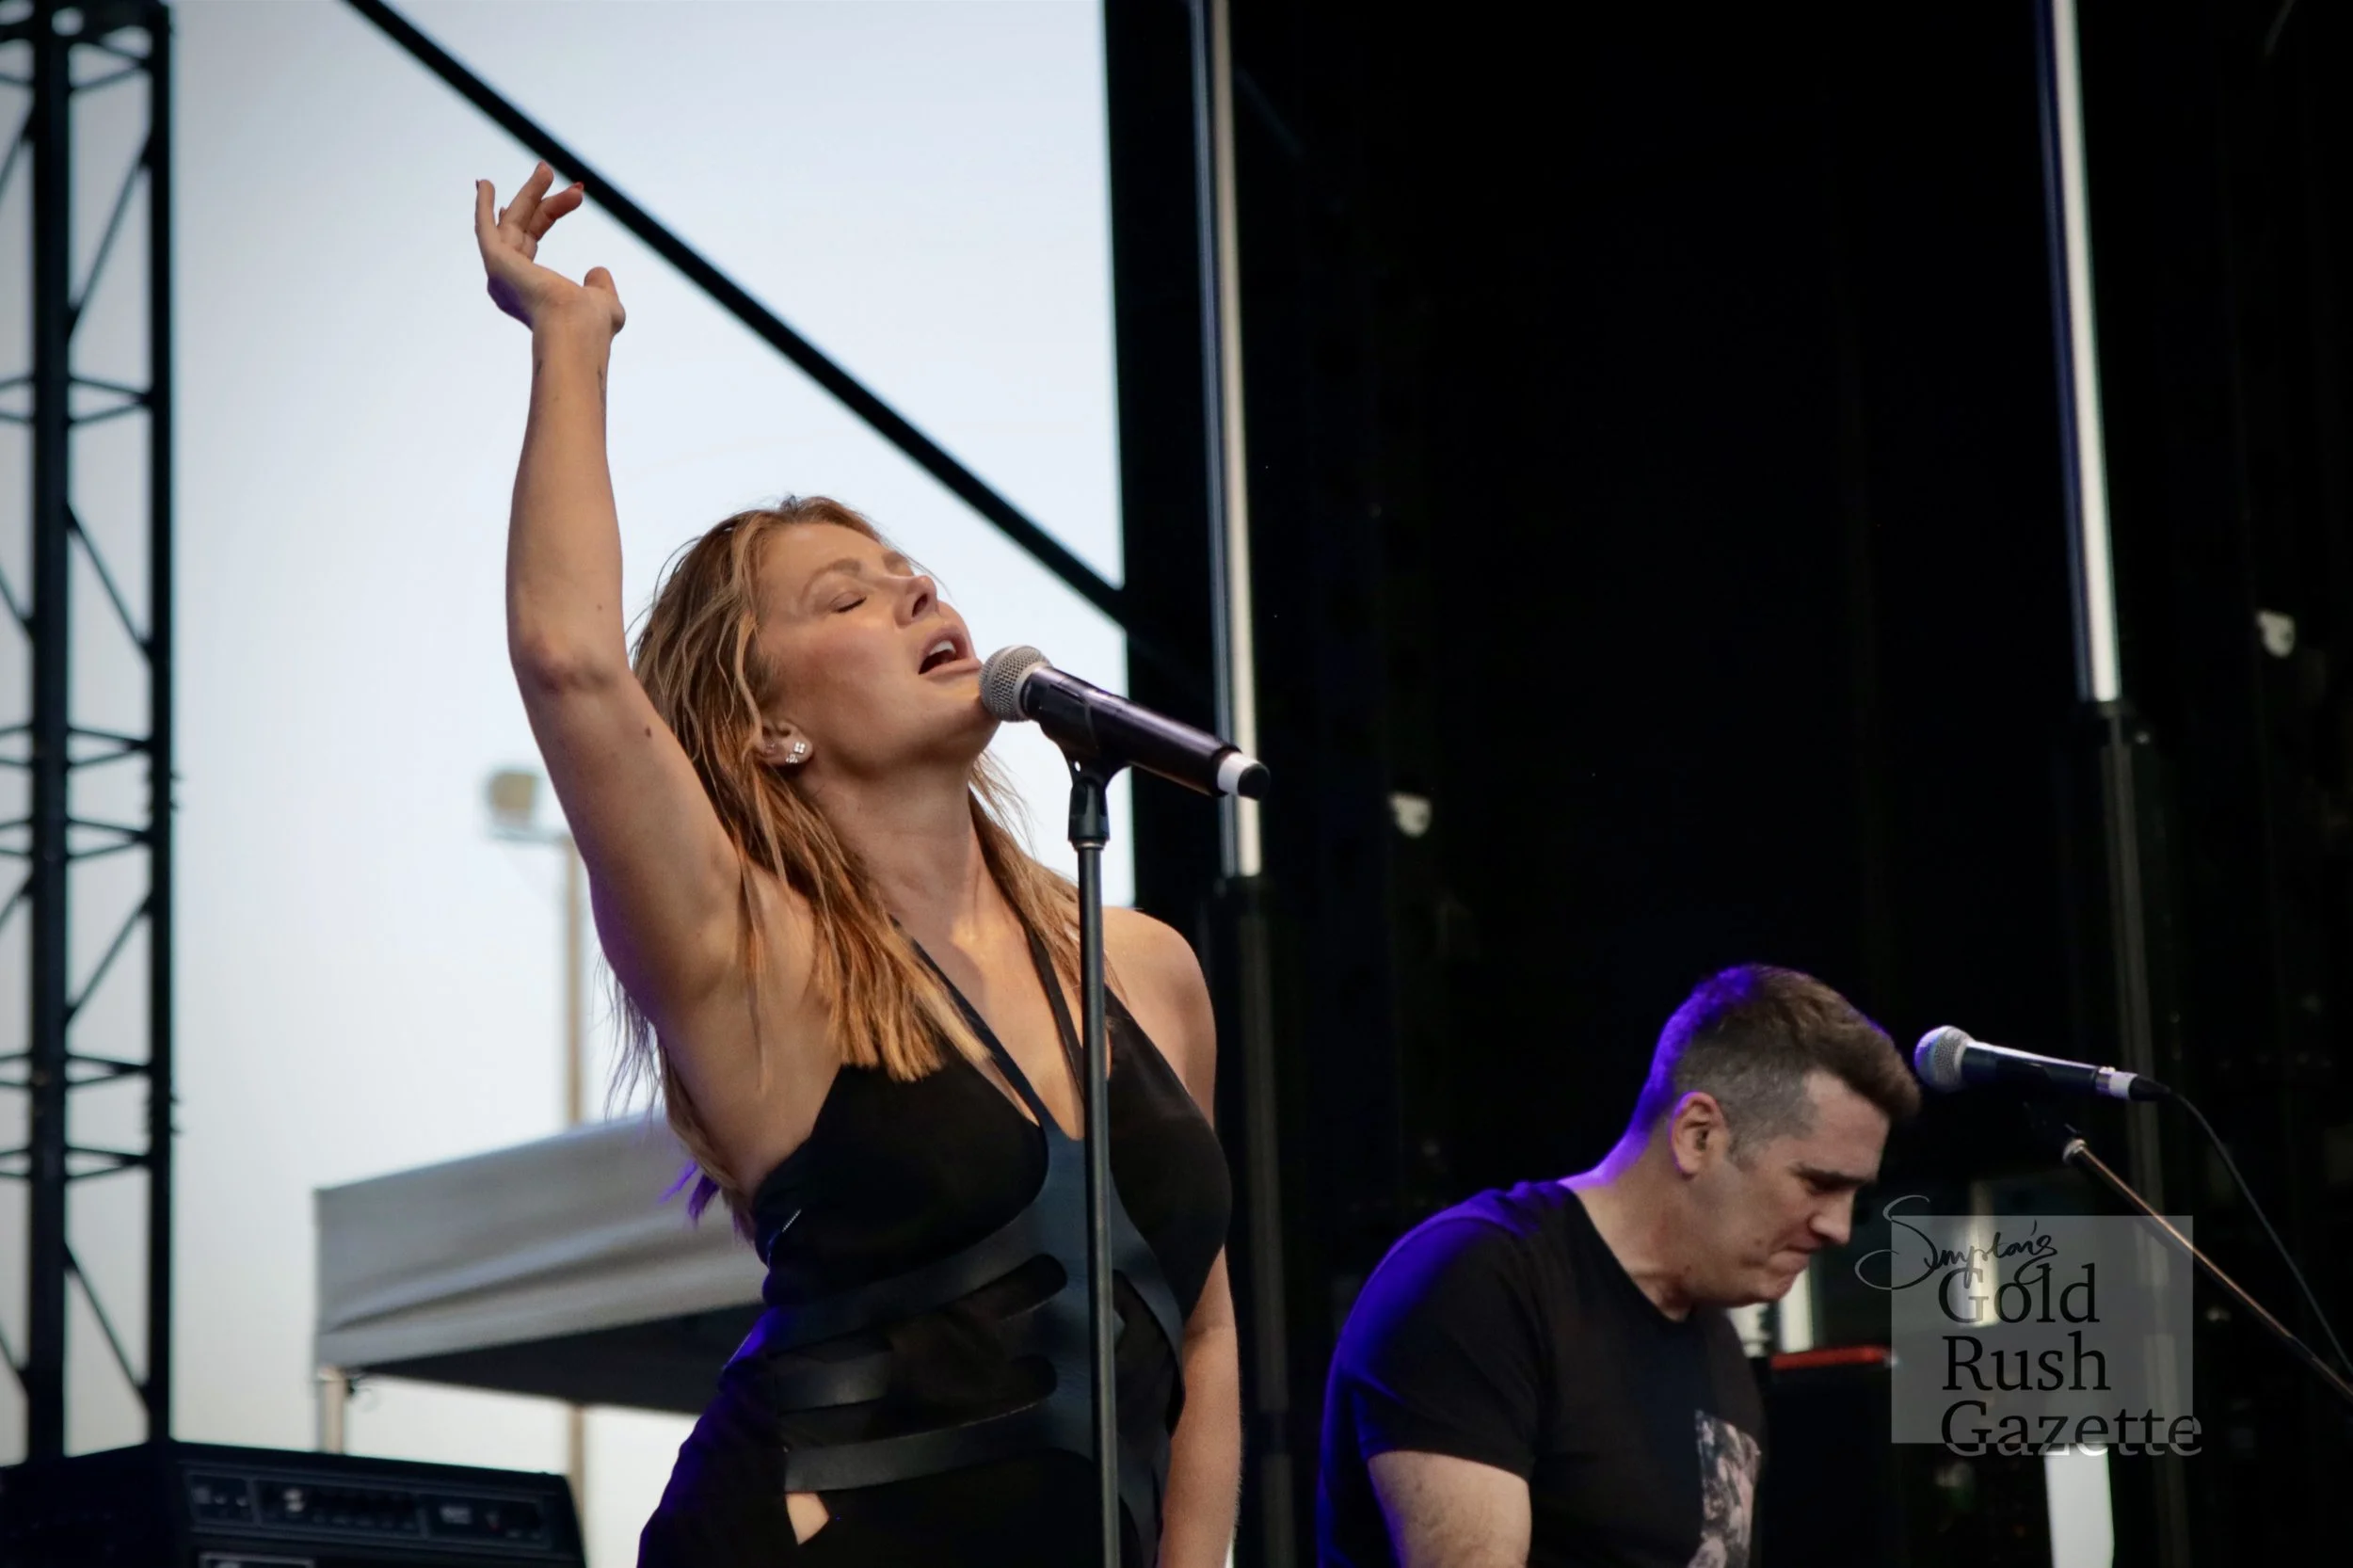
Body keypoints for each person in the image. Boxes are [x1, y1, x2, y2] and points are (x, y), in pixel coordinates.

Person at [473, 162, 1239, 1566]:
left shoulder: (1145, 967)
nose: (917, 591)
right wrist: (567, 349)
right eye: (848, 596)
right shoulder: (751, 954)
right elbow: (574, 663)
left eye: (912, 573)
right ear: (765, 726)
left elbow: (1197, 1329)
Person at [1318, 964, 1920, 1568]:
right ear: (1698, 1134)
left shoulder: (1716, 1346)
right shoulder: (1477, 1280)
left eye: (1854, 1197)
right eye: (1817, 1182)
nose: (1839, 1228)